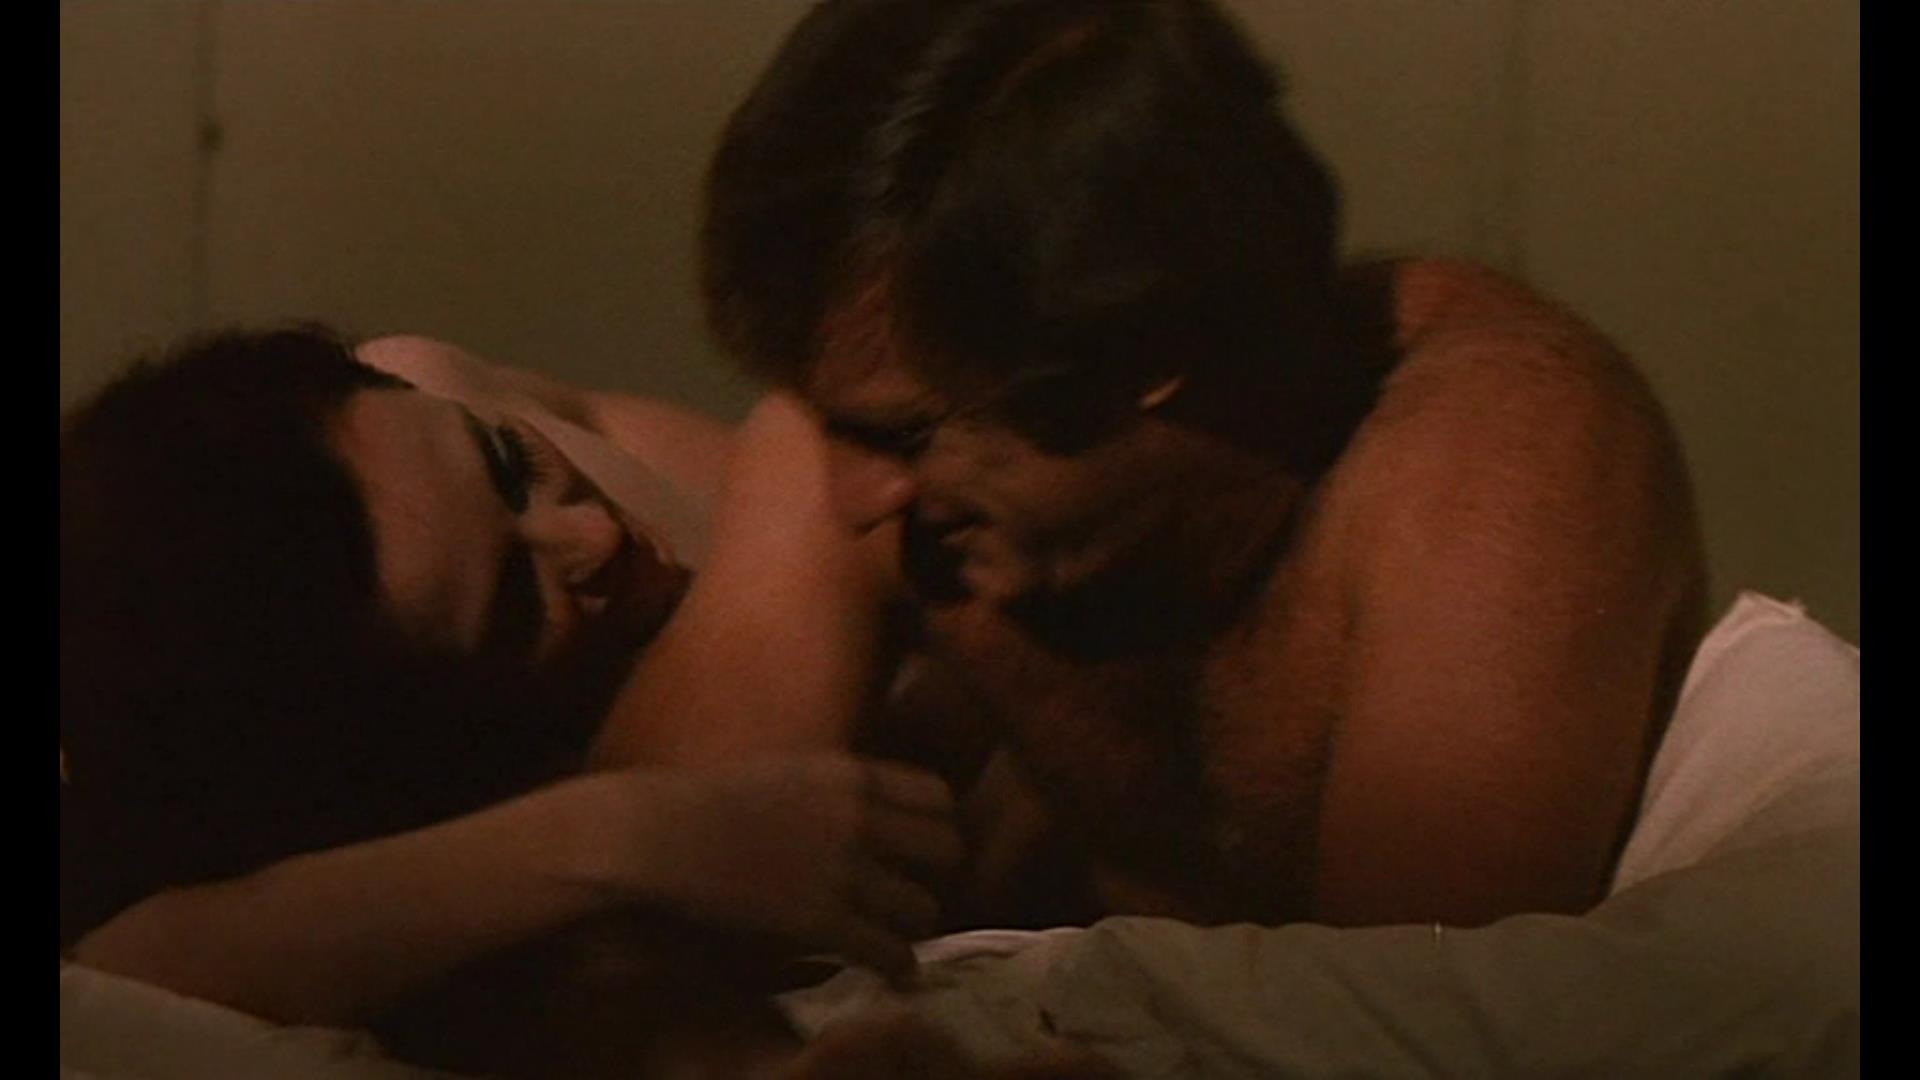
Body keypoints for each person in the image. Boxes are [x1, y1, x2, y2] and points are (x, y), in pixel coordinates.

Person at [699, 0, 1709, 928]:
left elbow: (1409, 1026)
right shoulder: (875, 434)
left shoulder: (1486, 472)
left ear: (1146, 354)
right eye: (823, 418)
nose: (851, 500)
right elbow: (647, 929)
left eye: (910, 436)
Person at [59, 326, 963, 1074]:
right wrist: (625, 836)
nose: (594, 533)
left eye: (510, 463)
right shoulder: (349, 782)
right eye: (522, 605)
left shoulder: (420, 394)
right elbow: (126, 968)